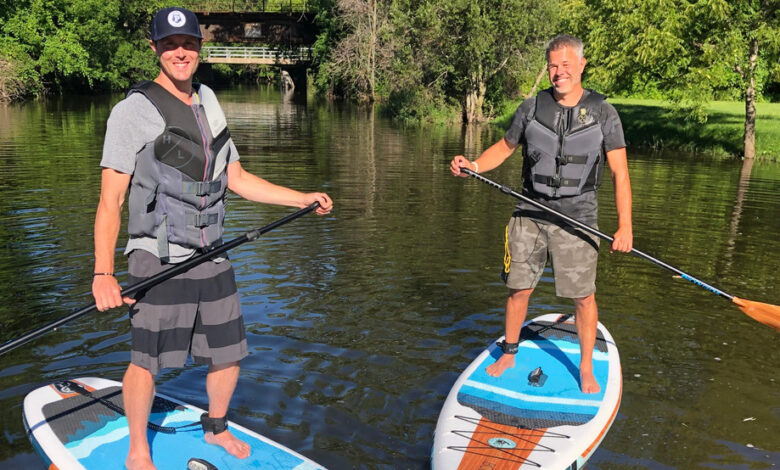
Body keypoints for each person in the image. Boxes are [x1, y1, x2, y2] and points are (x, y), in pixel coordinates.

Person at [91, 7, 333, 470]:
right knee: (147, 360)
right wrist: (103, 272)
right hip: (157, 257)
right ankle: (138, 450)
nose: (180, 53)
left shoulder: (208, 100)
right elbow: (110, 201)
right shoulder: (131, 112)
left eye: (188, 44)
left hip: (212, 251)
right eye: (169, 44)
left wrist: (299, 198)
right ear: (155, 49)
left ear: (199, 47)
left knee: (229, 351)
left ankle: (216, 427)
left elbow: (237, 178)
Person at [449, 34, 632, 394]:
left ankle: (584, 365)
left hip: (577, 217)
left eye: (565, 64)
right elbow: (503, 148)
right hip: (529, 212)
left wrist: (625, 226)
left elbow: (619, 173)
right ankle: (510, 351)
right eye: (552, 65)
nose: (558, 72)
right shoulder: (531, 108)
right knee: (518, 289)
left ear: (581, 65)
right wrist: (472, 164)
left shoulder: (603, 113)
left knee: (583, 296)